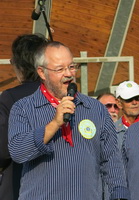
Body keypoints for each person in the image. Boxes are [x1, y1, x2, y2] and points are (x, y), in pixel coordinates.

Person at [8, 41, 129, 200]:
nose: (69, 74)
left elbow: (111, 158)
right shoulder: (23, 108)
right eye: (60, 69)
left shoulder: (95, 109)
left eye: (72, 67)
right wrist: (55, 123)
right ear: (42, 72)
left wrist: (119, 194)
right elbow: (18, 152)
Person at [0, 34, 48, 200]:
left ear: (20, 65)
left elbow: (2, 151)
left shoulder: (10, 98)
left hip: (19, 185)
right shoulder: (63, 97)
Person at [115, 81, 139, 149]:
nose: (134, 102)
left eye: (137, 98)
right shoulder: (111, 132)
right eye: (129, 99)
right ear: (119, 103)